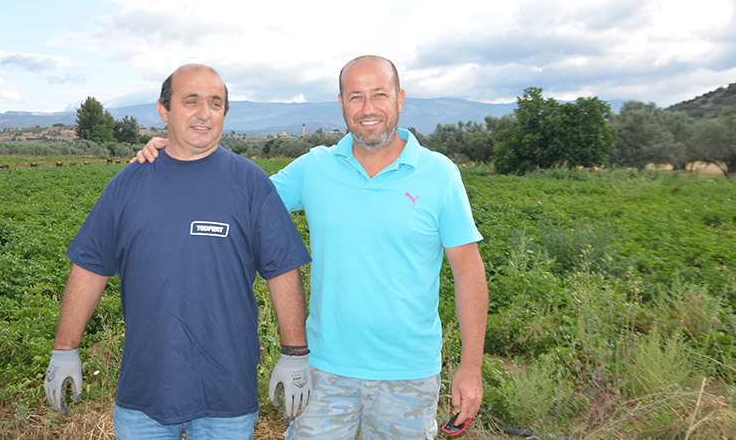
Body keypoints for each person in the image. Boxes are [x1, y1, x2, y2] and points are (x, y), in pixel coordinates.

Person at [135, 56, 489, 439]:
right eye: (355, 97)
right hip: (323, 370)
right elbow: (237, 197)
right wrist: (178, 152)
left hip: (409, 376)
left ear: (400, 99)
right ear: (341, 104)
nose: (368, 109)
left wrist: (470, 367)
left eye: (379, 95)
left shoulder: (439, 174)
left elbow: (469, 271)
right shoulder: (316, 167)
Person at [45, 64, 313, 440]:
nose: (204, 112)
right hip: (144, 396)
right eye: (191, 101)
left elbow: (282, 270)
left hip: (227, 398)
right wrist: (64, 349)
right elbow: (90, 267)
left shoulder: (250, 182)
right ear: (163, 110)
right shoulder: (129, 183)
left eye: (215, 103)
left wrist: (294, 354)